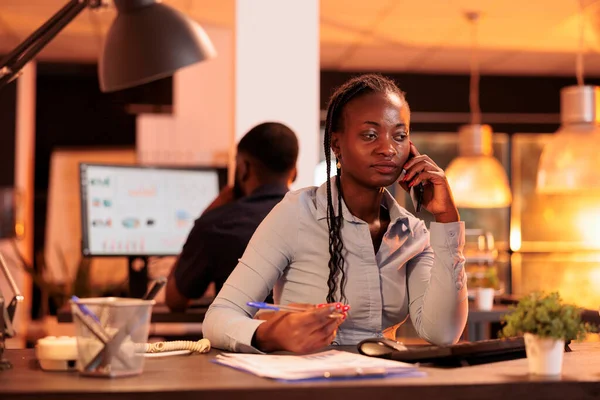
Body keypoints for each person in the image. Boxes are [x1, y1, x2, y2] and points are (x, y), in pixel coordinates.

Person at [202, 74, 468, 353]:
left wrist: (447, 217)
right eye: (370, 135)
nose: (389, 148)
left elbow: (443, 333)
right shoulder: (297, 214)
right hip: (309, 387)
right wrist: (272, 334)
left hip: (383, 384)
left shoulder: (412, 233)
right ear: (336, 145)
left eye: (399, 136)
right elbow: (218, 316)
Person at [165, 122, 299, 312]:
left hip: (239, 338)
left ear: (244, 168)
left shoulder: (217, 224)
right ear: (294, 171)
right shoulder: (318, 218)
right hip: (309, 337)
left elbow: (175, 300)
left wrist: (208, 214)